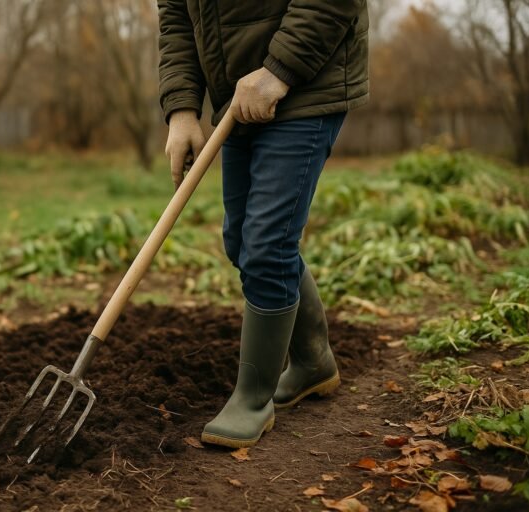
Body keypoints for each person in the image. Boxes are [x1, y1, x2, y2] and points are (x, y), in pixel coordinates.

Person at [157, 1, 369, 448]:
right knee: (242, 242)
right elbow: (176, 15)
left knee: (267, 245)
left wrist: (279, 71)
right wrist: (181, 108)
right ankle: (313, 362)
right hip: (238, 96)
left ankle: (253, 399)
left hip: (304, 84)